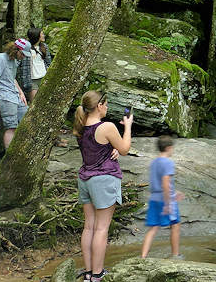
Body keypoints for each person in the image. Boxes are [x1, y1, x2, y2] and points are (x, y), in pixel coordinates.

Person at [74, 91, 133, 282]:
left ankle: (89, 273)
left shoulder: (81, 126)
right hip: (104, 180)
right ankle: (98, 275)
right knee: (101, 229)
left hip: (85, 179)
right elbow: (125, 149)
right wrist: (128, 127)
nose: (107, 107)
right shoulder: (107, 126)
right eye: (106, 104)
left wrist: (112, 148)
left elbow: (97, 147)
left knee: (89, 227)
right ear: (99, 106)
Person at [141, 135, 184, 259]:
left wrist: (175, 193)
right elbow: (165, 182)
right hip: (165, 199)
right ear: (169, 148)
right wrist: (168, 202)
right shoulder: (168, 162)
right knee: (175, 224)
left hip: (154, 198)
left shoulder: (154, 162)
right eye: (172, 148)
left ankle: (143, 257)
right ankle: (176, 255)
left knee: (153, 227)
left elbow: (158, 182)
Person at [18, 28, 52, 102]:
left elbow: (48, 62)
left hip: (44, 77)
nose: (44, 35)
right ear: (37, 36)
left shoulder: (44, 46)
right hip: (31, 80)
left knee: (44, 101)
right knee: (34, 103)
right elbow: (19, 63)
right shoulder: (26, 48)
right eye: (42, 34)